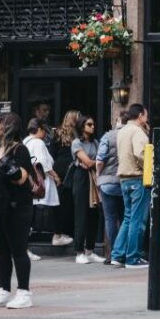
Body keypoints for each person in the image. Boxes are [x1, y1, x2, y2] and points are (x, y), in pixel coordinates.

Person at [0, 113, 35, 309]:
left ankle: (24, 292)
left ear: (8, 126)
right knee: (1, 251)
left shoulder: (20, 150)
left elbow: (21, 178)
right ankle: (3, 291)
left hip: (17, 207)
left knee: (18, 250)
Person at [112, 103, 150, 269]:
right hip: (137, 177)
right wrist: (151, 168)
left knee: (128, 218)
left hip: (124, 179)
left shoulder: (121, 131)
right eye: (145, 115)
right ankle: (132, 258)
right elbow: (141, 154)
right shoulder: (137, 131)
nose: (146, 118)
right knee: (136, 220)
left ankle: (117, 255)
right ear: (140, 115)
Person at [23, 118, 61, 254]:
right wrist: (56, 176)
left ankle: (25, 247)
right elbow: (44, 163)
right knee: (46, 210)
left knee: (29, 214)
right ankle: (57, 234)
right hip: (41, 183)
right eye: (44, 130)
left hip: (28, 182)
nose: (45, 134)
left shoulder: (25, 141)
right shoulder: (38, 143)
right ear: (39, 129)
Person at [69, 114, 102, 264]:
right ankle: (79, 252)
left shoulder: (95, 142)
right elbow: (88, 162)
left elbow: (101, 161)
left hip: (94, 179)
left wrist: (94, 163)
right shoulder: (76, 143)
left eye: (93, 124)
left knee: (94, 214)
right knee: (81, 214)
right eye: (89, 124)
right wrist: (95, 163)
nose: (93, 127)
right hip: (82, 178)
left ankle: (90, 250)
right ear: (82, 126)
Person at [96, 112, 127, 265]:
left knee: (110, 218)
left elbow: (100, 159)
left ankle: (113, 252)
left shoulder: (108, 136)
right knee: (124, 218)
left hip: (107, 183)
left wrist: (98, 175)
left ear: (117, 121)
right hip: (124, 182)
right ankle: (122, 252)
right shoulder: (131, 136)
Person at [48, 110, 79, 248]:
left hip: (59, 169)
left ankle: (60, 232)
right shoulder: (78, 135)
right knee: (69, 203)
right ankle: (66, 232)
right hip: (70, 170)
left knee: (60, 202)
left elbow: (51, 153)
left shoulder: (56, 134)